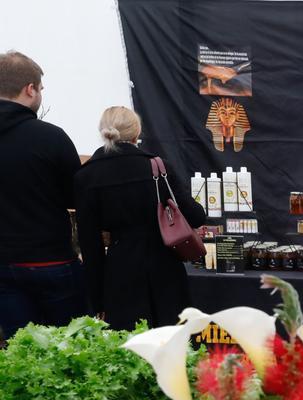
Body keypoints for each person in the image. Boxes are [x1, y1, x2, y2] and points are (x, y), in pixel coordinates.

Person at [74, 106, 206, 330]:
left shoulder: (85, 176)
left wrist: (97, 300)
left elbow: (90, 245)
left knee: (130, 348)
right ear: (137, 133)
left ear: (103, 132)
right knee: (172, 346)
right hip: (165, 267)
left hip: (120, 271)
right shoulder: (158, 167)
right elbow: (195, 216)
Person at [0, 50, 88, 340]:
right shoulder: (51, 137)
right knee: (67, 349)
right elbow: (76, 198)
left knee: (20, 352)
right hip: (50, 261)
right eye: (40, 89)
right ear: (30, 89)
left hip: (3, 265)